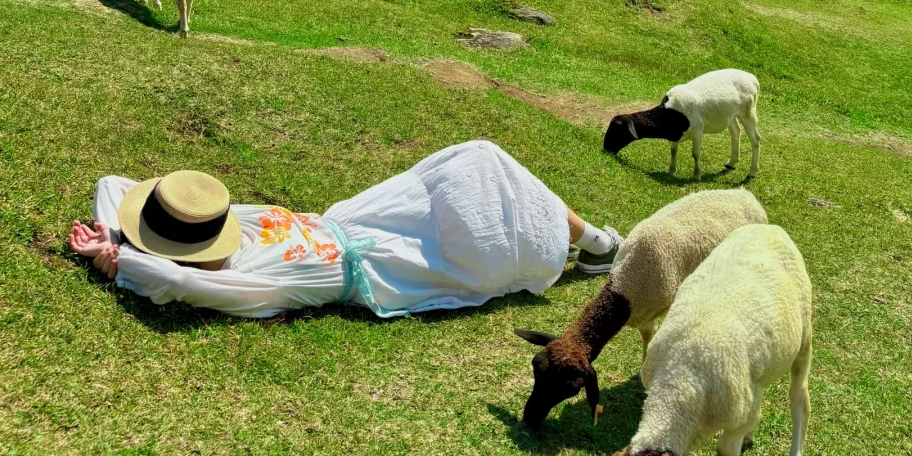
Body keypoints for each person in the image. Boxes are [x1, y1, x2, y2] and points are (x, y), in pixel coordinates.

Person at [68, 141, 622, 320]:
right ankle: (597, 245)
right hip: (396, 262)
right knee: (485, 223)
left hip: (370, 215)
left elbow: (111, 184)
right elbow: (180, 285)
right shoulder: (252, 284)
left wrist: (114, 237)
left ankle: (595, 242)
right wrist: (122, 260)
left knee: (478, 160)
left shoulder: (235, 224)